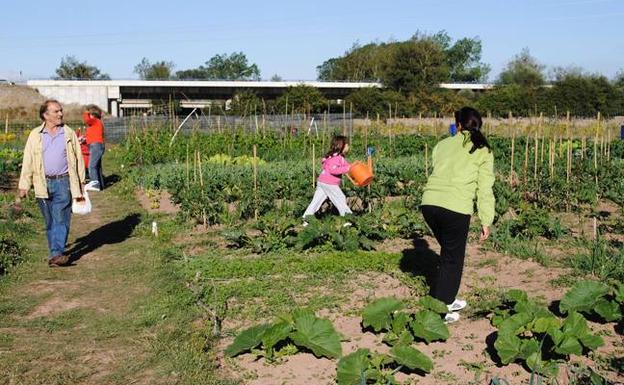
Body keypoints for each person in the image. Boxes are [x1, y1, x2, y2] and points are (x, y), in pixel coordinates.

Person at [420, 107, 495, 323]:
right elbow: (485, 188)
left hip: (430, 204)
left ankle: (447, 297)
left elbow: (438, 169)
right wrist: (486, 219)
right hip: (456, 208)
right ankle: (440, 310)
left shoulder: (443, 144)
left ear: (458, 124)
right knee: (452, 258)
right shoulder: (483, 150)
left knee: (448, 253)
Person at [18, 100, 86, 267]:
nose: (60, 114)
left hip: (63, 182)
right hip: (42, 183)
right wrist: (24, 185)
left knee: (61, 218)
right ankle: (54, 252)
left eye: (60, 111)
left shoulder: (68, 133)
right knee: (49, 221)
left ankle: (56, 253)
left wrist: (81, 182)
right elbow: (28, 161)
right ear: (45, 115)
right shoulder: (35, 135)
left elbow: (78, 159)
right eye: (56, 111)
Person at [302, 135, 353, 223]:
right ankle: (347, 220)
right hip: (330, 183)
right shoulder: (337, 158)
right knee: (340, 198)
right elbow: (333, 170)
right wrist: (347, 169)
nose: (348, 147)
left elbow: (346, 166)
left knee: (317, 200)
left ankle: (306, 218)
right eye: (347, 145)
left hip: (322, 182)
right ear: (342, 146)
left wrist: (351, 167)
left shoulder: (334, 156)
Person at [83, 104, 105, 191]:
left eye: (89, 114)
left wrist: (86, 112)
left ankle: (95, 185)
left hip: (96, 145)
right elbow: (92, 135)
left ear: (93, 115)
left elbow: (86, 120)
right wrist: (84, 139)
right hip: (96, 145)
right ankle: (100, 184)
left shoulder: (95, 121)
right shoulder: (96, 124)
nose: (88, 116)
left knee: (91, 166)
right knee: (97, 166)